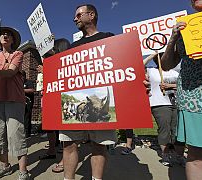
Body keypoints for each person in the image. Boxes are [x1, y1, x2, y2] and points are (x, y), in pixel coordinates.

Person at [59, 4, 117, 180]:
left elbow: (119, 67)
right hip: (77, 99)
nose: (75, 18)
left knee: (99, 145)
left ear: (91, 15)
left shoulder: (109, 38)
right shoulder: (72, 47)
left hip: (100, 99)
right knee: (68, 144)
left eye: (78, 15)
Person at [161, 1, 202, 179]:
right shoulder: (187, 26)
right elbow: (167, 65)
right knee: (199, 158)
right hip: (197, 98)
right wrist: (173, 39)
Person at [0, 26, 29, 180]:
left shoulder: (18, 54)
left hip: (14, 98)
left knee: (15, 133)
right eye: (2, 34)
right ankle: (5, 166)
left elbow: (10, 72)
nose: (5, 35)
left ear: (12, 40)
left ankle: (23, 171)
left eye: (9, 35)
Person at [147, 55, 180, 166]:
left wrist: (169, 85)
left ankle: (179, 155)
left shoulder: (175, 72)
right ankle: (165, 155)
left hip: (176, 103)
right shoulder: (151, 71)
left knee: (177, 130)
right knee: (164, 129)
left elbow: (183, 85)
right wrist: (152, 54)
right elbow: (137, 67)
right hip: (159, 103)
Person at [22, 71, 34, 138]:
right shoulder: (19, 82)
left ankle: (27, 133)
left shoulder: (29, 82)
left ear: (24, 76)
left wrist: (22, 90)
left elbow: (32, 90)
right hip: (21, 102)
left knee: (27, 117)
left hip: (28, 102)